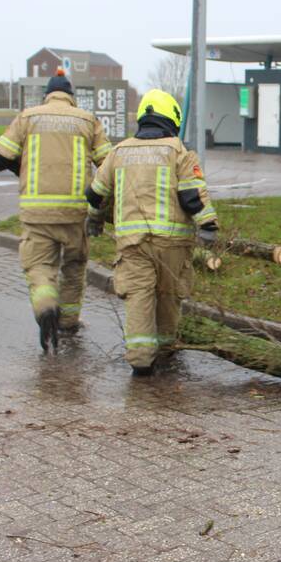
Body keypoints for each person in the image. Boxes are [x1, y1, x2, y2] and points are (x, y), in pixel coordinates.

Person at [85, 89, 218, 376]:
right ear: (172, 117)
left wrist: (94, 220)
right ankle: (167, 350)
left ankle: (141, 360)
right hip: (173, 244)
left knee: (138, 297)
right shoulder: (179, 151)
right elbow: (192, 194)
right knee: (169, 296)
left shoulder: (119, 151)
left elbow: (96, 193)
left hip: (133, 245)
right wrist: (207, 225)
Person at [0, 68, 112, 353]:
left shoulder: (29, 117)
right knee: (75, 267)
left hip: (36, 214)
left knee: (39, 267)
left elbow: (1, 158)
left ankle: (45, 308)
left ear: (47, 95)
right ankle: (67, 321)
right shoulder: (88, 121)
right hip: (74, 213)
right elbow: (107, 164)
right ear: (71, 97)